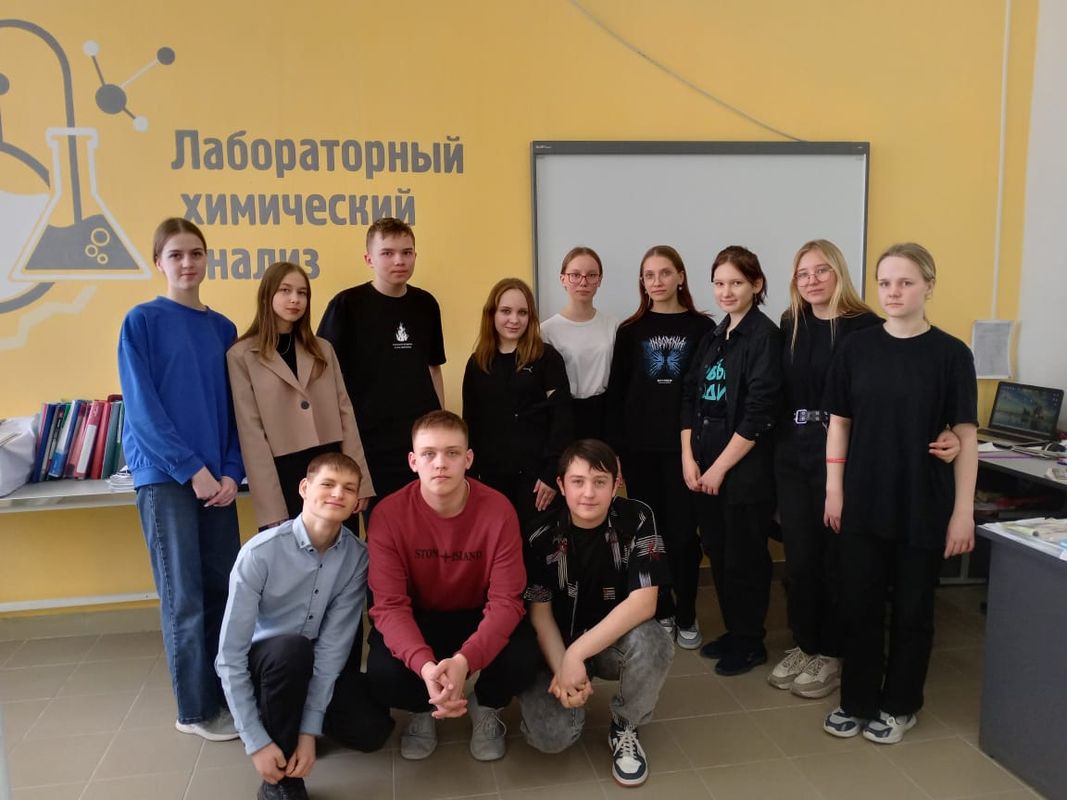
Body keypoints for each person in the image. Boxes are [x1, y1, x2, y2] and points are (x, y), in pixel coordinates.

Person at [770, 240, 962, 698]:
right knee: (801, 559)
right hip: (796, 453)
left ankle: (833, 652)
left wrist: (951, 430)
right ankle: (807, 643)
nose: (812, 280)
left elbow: (898, 392)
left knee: (841, 562)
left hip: (850, 455)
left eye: (821, 270)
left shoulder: (867, 326)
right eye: (803, 273)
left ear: (840, 272)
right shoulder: (791, 322)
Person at [822, 242, 978, 744]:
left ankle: (900, 705)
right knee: (859, 605)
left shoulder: (952, 354)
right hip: (864, 499)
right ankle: (857, 700)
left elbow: (966, 436)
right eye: (885, 282)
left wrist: (963, 513)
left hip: (923, 502)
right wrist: (833, 489)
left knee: (913, 611)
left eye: (906, 282)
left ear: (928, 286)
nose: (893, 292)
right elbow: (839, 423)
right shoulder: (856, 348)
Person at [117, 217, 243, 741]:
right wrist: (191, 469)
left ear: (207, 258)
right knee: (183, 596)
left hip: (218, 483)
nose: (187, 263)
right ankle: (194, 711)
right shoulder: (141, 322)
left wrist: (231, 472)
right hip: (167, 479)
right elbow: (142, 410)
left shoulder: (223, 329)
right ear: (158, 263)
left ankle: (224, 696)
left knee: (224, 591)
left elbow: (236, 410)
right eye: (176, 255)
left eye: (195, 253)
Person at [216, 453, 394, 800]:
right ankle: (280, 783)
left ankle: (297, 718)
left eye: (348, 489)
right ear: (304, 488)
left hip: (311, 662)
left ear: (356, 502)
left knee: (373, 732)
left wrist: (309, 729)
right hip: (268, 664)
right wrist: (255, 741)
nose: (338, 494)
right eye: (328, 484)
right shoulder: (260, 553)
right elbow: (229, 655)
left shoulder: (357, 557)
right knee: (290, 650)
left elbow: (333, 647)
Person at [366, 410, 540, 762]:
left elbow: (507, 601)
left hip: (478, 612)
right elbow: (389, 607)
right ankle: (423, 706)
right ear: (413, 461)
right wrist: (425, 667)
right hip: (420, 616)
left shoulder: (499, 510)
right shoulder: (387, 514)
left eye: (452, 453)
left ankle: (486, 704)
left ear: (468, 459)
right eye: (429, 454)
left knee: (524, 658)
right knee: (383, 672)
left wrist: (465, 661)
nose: (440, 463)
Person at [519, 439, 674, 787]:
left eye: (600, 481)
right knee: (551, 738)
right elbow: (540, 614)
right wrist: (563, 666)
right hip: (556, 646)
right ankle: (570, 696)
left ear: (615, 484)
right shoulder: (539, 533)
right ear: (561, 485)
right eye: (578, 482)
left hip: (608, 643)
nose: (588, 493)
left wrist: (577, 654)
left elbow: (644, 602)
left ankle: (625, 724)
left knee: (655, 642)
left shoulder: (637, 517)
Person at [680, 245, 782, 676]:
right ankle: (735, 630)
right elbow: (690, 397)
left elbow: (759, 411)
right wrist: (689, 457)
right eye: (719, 283)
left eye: (736, 282)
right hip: (705, 467)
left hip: (742, 472)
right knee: (718, 552)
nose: (726, 291)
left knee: (745, 557)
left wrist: (720, 468)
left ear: (756, 285)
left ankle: (750, 640)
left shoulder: (764, 337)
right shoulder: (714, 335)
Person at [605, 245, 714, 649]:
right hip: (640, 450)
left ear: (680, 277)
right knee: (650, 537)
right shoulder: (630, 330)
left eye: (665, 273)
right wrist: (616, 453)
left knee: (683, 534)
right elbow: (616, 395)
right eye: (649, 275)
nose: (657, 281)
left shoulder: (703, 328)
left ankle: (687, 612)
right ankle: (662, 609)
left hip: (686, 451)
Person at [228, 261, 374, 531]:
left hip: (333, 467)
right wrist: (270, 507)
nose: (295, 299)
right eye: (285, 290)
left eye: (302, 293)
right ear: (267, 295)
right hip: (282, 472)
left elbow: (345, 414)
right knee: (291, 553)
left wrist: (360, 482)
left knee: (342, 549)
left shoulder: (323, 349)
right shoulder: (241, 355)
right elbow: (251, 434)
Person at [317, 217, 445, 511]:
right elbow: (323, 376)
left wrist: (439, 426)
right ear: (369, 258)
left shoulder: (426, 304)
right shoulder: (346, 305)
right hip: (367, 444)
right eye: (388, 253)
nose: (399, 260)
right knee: (378, 525)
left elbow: (433, 368)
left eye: (406, 252)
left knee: (422, 522)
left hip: (419, 443)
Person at [462, 278, 573, 524]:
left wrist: (551, 474)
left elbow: (562, 421)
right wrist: (471, 478)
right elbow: (470, 424)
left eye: (522, 312)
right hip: (491, 479)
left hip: (538, 482)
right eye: (506, 311)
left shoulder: (547, 358)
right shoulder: (477, 363)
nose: (514, 319)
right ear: (491, 314)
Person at [541, 246, 617, 440]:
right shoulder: (546, 330)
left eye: (591, 275)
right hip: (565, 414)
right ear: (563, 279)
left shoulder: (613, 325)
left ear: (599, 280)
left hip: (603, 413)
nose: (583, 282)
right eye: (575, 275)